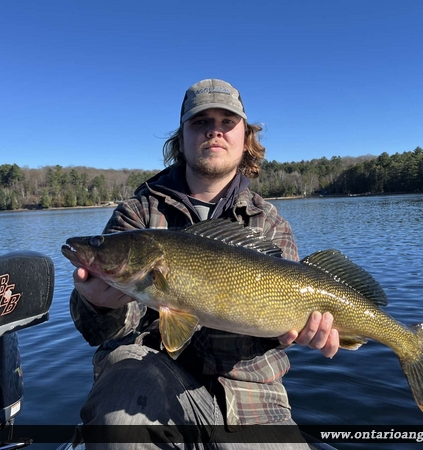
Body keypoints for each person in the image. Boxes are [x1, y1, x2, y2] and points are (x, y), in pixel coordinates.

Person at [70, 78, 339, 448]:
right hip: (147, 377)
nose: (214, 131)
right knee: (120, 420)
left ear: (246, 138)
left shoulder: (271, 224)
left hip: (252, 396)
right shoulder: (137, 215)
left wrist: (296, 332)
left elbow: (280, 325)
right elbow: (103, 332)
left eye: (227, 122)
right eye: (200, 122)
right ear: (180, 138)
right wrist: (98, 304)